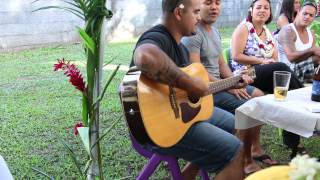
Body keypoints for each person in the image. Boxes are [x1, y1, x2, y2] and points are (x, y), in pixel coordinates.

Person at [130, 0, 251, 179]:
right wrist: (190, 84)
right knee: (236, 150)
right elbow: (145, 56)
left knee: (235, 124)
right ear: (179, 13)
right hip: (157, 129)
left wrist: (230, 83)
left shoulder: (180, 48)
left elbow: (195, 92)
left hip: (183, 117)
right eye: (195, 12)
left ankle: (190, 172)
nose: (198, 16)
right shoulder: (158, 36)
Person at [181, 0, 276, 174]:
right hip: (206, 90)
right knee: (250, 108)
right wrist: (229, 86)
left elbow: (221, 64)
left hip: (222, 85)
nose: (214, 7)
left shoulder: (215, 32)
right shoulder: (193, 34)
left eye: (217, 3)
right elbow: (197, 72)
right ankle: (245, 158)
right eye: (208, 3)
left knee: (259, 96)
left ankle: (253, 148)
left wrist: (235, 79)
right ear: (197, 6)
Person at [230, 0, 304, 159]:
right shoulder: (243, 28)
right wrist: (261, 61)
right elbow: (236, 55)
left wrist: (269, 63)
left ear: (270, 13)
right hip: (245, 74)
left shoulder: (267, 32)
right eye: (259, 7)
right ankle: (305, 108)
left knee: (285, 82)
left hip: (265, 74)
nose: (262, 10)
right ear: (251, 9)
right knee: (284, 71)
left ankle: (292, 136)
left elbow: (275, 59)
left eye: (266, 8)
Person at [278, 1, 320, 84]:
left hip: (304, 70)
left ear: (314, 17)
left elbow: (311, 56)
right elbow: (291, 57)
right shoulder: (288, 30)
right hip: (287, 71)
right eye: (305, 13)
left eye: (311, 15)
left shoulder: (311, 33)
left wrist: (315, 51)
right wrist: (312, 50)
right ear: (299, 12)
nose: (307, 17)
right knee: (317, 58)